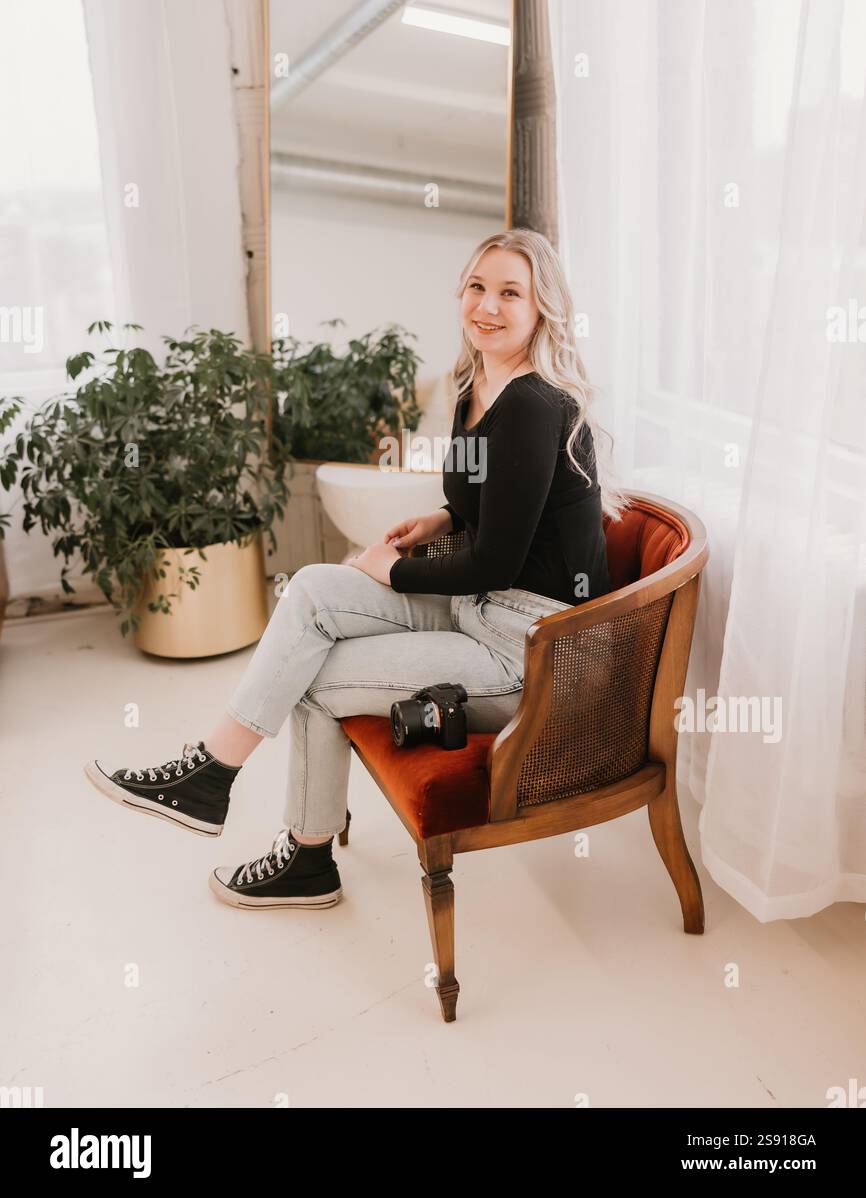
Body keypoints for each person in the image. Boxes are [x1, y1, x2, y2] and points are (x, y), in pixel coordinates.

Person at [85, 227, 628, 910]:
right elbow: (488, 512)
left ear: (542, 307)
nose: (488, 305)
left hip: (533, 646)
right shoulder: (475, 386)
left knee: (312, 673)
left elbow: (499, 559)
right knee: (312, 589)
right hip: (480, 606)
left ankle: (296, 852)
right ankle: (211, 777)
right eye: (477, 287)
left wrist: (391, 573)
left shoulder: (533, 402)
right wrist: (440, 521)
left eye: (510, 293)